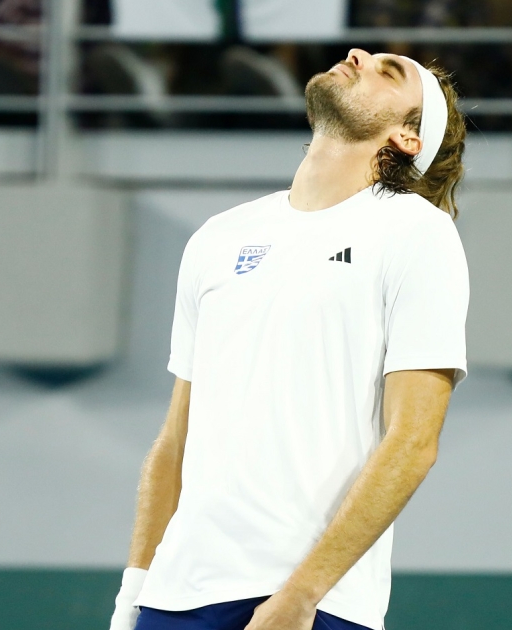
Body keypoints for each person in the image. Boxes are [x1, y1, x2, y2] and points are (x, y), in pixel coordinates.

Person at [108, 48, 470, 630]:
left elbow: (413, 442)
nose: (358, 54)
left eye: (390, 71)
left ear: (407, 137)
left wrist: (302, 595)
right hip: (174, 598)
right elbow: (176, 440)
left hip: (310, 606)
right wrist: (133, 593)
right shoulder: (219, 236)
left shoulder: (417, 234)